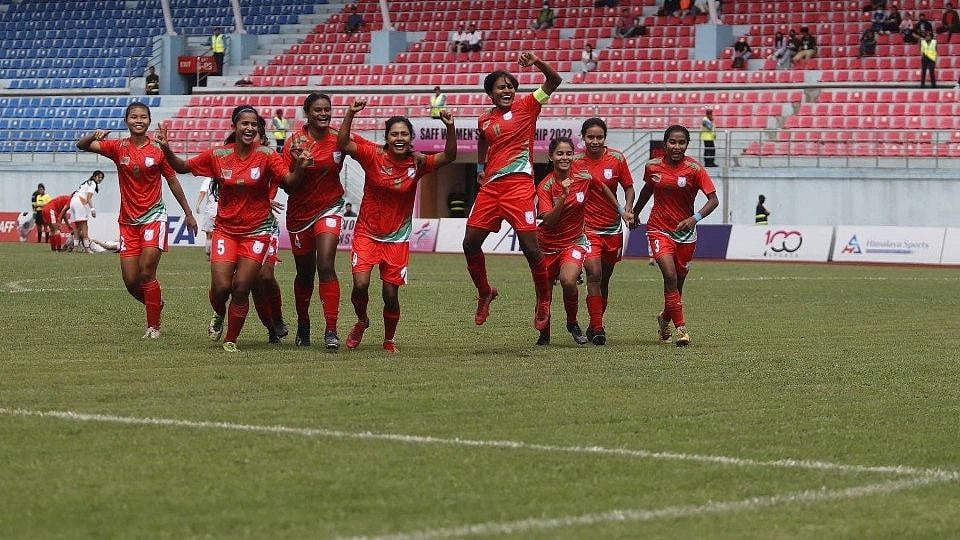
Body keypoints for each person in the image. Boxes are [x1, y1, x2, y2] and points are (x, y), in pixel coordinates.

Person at [154, 105, 309, 352]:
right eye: (244, 124)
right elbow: (182, 167)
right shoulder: (218, 155)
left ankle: (231, 339)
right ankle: (218, 313)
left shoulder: (268, 155)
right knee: (222, 287)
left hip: (257, 231)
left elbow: (290, 183)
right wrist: (166, 149)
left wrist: (300, 166)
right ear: (234, 127)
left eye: (254, 124)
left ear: (258, 129)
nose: (249, 128)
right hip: (226, 230)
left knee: (242, 286)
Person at [337, 99, 457, 353]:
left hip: (397, 239)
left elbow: (449, 156)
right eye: (394, 134)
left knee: (390, 294)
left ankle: (389, 339)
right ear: (387, 137)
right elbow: (343, 143)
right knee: (360, 285)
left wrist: (450, 127)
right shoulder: (372, 156)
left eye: (404, 134)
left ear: (410, 138)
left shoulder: (418, 163)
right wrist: (350, 113)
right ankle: (362, 320)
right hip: (366, 233)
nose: (399, 138)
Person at [76, 101, 198, 339]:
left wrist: (189, 213)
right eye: (134, 117)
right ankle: (155, 302)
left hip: (154, 217)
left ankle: (153, 327)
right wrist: (94, 134)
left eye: (143, 117)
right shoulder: (117, 147)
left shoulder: (158, 149)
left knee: (146, 272)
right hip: (128, 222)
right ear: (127, 120)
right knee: (131, 281)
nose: (139, 120)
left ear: (149, 121)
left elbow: (173, 181)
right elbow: (81, 145)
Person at [464, 52, 562, 334]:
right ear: (490, 94)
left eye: (510, 86)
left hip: (519, 186)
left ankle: (543, 300)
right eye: (501, 87)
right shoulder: (483, 120)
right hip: (491, 187)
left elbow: (555, 80)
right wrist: (481, 168)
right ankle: (485, 292)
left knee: (531, 248)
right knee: (470, 244)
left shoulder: (528, 106)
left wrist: (538, 63)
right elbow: (482, 142)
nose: (507, 90)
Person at [536, 136, 631, 346]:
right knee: (544, 293)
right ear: (551, 157)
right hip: (547, 246)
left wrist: (621, 211)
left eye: (569, 153)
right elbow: (549, 220)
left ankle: (572, 323)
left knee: (569, 280)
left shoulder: (583, 177)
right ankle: (544, 334)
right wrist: (563, 196)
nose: (565, 157)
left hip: (574, 241)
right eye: (560, 153)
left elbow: (604, 188)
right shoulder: (545, 186)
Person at [631, 125, 718, 347]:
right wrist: (635, 213)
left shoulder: (694, 169)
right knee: (669, 275)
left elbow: (713, 200)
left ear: (687, 145)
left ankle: (664, 320)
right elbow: (647, 190)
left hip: (686, 233)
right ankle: (681, 329)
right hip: (658, 229)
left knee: (677, 285)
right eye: (672, 142)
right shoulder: (652, 167)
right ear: (665, 144)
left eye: (681, 143)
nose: (676, 146)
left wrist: (694, 218)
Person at [282, 93, 349, 349]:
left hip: (330, 208)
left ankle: (331, 330)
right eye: (318, 110)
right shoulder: (294, 143)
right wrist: (300, 166)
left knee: (325, 264)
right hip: (299, 216)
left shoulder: (338, 140)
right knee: (304, 274)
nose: (323, 114)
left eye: (327, 110)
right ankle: (303, 323)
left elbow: (366, 152)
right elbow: (288, 187)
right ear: (307, 113)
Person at [576, 117, 636, 345]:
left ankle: (594, 324)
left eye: (599, 137)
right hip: (587, 228)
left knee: (605, 280)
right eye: (590, 137)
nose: (594, 141)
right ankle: (599, 327)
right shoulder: (576, 161)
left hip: (612, 228)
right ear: (583, 138)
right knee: (594, 273)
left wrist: (628, 208)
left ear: (605, 139)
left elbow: (629, 187)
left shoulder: (617, 158)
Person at [68, 170, 104, 253]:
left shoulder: (87, 182)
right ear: (94, 177)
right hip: (79, 202)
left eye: (102, 178)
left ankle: (75, 248)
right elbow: (88, 198)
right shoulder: (93, 183)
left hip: (73, 201)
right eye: (99, 177)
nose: (100, 179)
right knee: (84, 226)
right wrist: (92, 209)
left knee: (77, 227)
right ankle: (87, 248)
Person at [195, 176, 218, 259]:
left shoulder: (208, 180)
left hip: (211, 210)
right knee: (221, 233)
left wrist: (198, 205)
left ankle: (209, 254)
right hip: (222, 210)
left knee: (209, 234)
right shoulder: (223, 178)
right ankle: (217, 253)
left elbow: (202, 192)